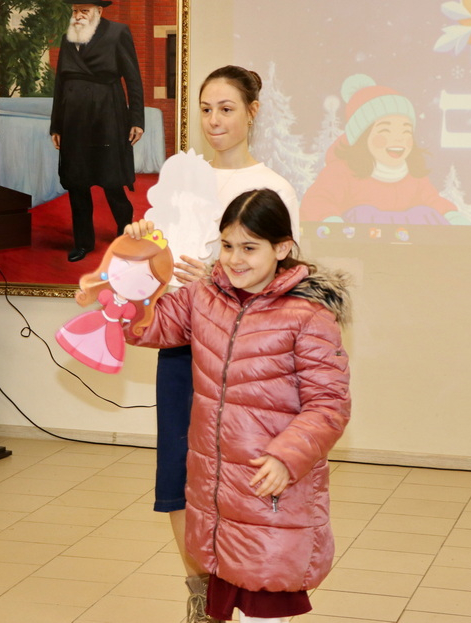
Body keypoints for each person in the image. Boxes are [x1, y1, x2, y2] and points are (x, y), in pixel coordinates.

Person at [125, 189, 351, 623]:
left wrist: (287, 457)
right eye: (227, 245)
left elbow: (329, 404)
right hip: (219, 495)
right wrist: (136, 262)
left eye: (249, 248)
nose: (234, 259)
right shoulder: (203, 297)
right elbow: (142, 328)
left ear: (282, 248)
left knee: (264, 606)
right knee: (228, 599)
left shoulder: (308, 316)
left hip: (269, 492)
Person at [150, 65, 301, 623]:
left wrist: (216, 278)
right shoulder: (182, 179)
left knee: (233, 480)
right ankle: (200, 594)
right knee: (177, 477)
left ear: (252, 112)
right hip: (180, 347)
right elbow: (157, 261)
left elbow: (285, 280)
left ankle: (240, 590)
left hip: (243, 357)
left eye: (227, 109)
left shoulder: (273, 187)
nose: (214, 121)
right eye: (207, 109)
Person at [301, 74, 469, 225]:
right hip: (358, 246)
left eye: (405, 131)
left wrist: (451, 215)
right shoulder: (342, 172)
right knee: (363, 213)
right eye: (386, 131)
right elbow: (318, 200)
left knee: (422, 213)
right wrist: (332, 222)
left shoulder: (412, 175)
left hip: (407, 247)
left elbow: (432, 200)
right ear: (363, 136)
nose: (398, 139)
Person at [50, 0, 144, 262]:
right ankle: (83, 243)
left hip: (107, 116)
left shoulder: (118, 32)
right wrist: (56, 125)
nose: (78, 15)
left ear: (99, 11)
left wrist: (137, 120)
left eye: (85, 10)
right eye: (75, 10)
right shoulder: (68, 37)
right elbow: (60, 83)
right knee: (77, 183)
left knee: (112, 180)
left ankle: (125, 234)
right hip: (74, 121)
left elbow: (133, 79)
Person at [55, 230, 173, 373]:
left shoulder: (130, 309)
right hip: (99, 319)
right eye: (125, 266)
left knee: (108, 346)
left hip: (113, 329)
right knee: (85, 336)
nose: (130, 280)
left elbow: (130, 318)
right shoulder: (108, 295)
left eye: (148, 279)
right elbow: (104, 297)